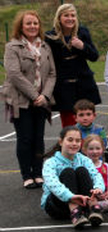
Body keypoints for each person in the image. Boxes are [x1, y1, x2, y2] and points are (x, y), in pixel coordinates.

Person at [2, 12, 55, 190]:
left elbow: (52, 74)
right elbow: (14, 74)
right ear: (21, 26)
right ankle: (27, 175)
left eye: (35, 23)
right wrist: (34, 95)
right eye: (28, 23)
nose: (33, 26)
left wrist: (45, 96)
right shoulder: (12, 47)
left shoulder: (45, 47)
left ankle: (38, 173)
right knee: (25, 139)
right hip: (21, 100)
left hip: (41, 101)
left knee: (38, 139)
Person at [45, 4, 100, 127]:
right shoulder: (50, 37)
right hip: (63, 88)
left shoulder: (82, 32)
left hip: (84, 86)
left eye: (73, 15)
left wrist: (82, 46)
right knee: (68, 124)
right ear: (59, 18)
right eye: (66, 15)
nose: (70, 18)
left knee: (86, 122)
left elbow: (94, 56)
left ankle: (86, 146)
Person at [41, 126, 105, 228]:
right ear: (61, 142)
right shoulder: (50, 162)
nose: (74, 144)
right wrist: (70, 196)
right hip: (57, 206)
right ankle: (75, 212)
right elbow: (52, 183)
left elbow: (96, 174)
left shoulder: (84, 159)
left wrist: (98, 188)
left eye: (77, 141)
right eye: (70, 140)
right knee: (68, 172)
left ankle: (93, 208)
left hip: (82, 201)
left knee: (81, 170)